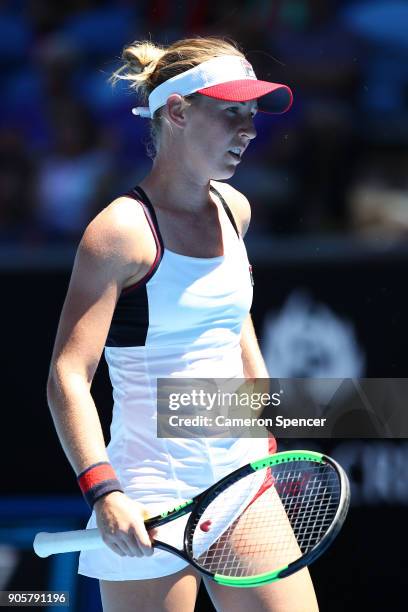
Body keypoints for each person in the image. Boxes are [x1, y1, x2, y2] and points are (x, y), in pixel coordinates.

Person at [47, 36, 318, 612]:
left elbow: (233, 322)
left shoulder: (234, 209)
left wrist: (263, 431)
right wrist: (105, 492)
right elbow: (67, 377)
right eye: (230, 114)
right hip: (148, 492)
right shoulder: (119, 232)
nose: (247, 130)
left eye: (251, 116)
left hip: (242, 480)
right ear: (176, 111)